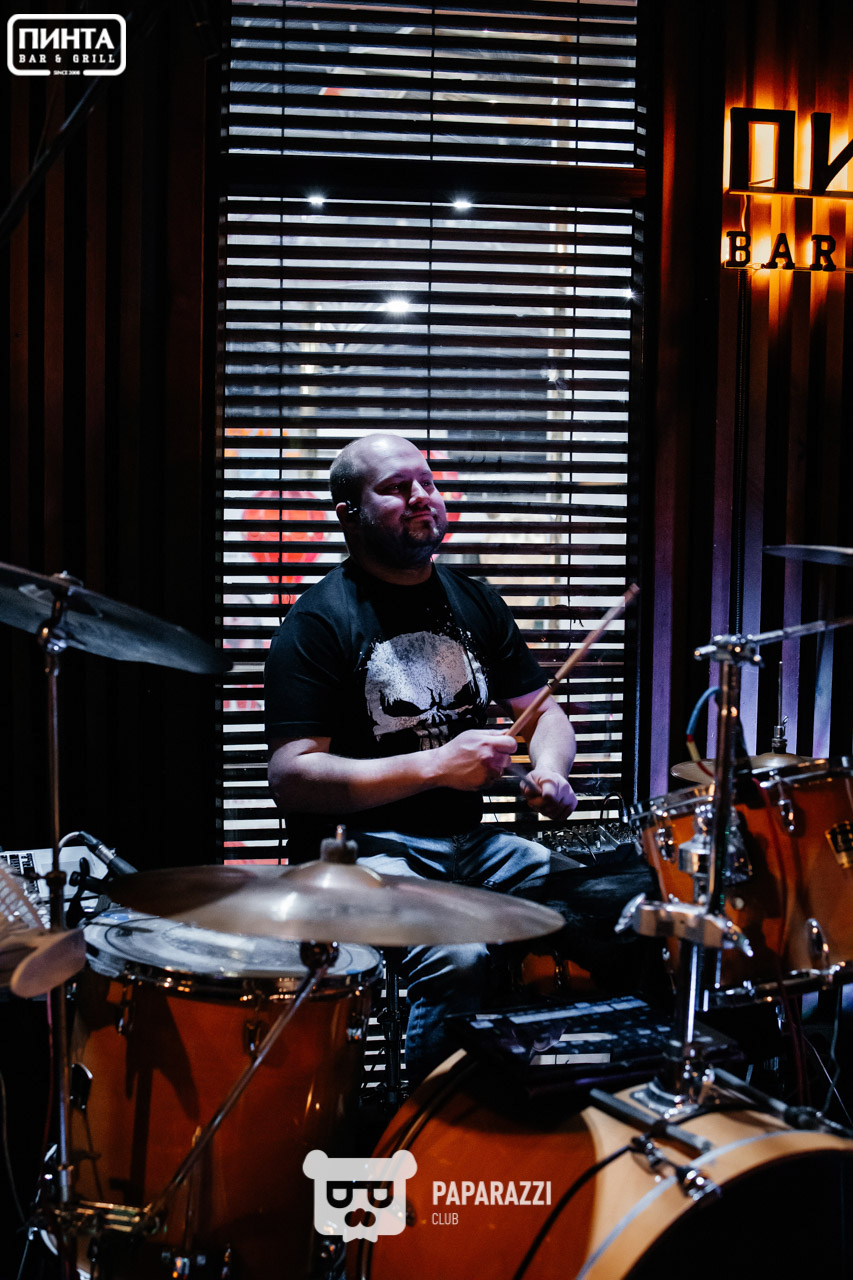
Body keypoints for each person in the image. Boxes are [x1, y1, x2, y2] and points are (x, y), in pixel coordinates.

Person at [265, 434, 578, 1083]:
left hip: (471, 846)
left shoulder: (474, 599)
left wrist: (550, 771)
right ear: (349, 512)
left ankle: (569, 1093)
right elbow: (292, 777)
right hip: (366, 857)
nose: (420, 496)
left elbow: (545, 714)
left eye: (426, 482)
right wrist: (434, 766)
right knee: (459, 961)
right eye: (395, 487)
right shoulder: (318, 623)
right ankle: (429, 1124)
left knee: (607, 904)